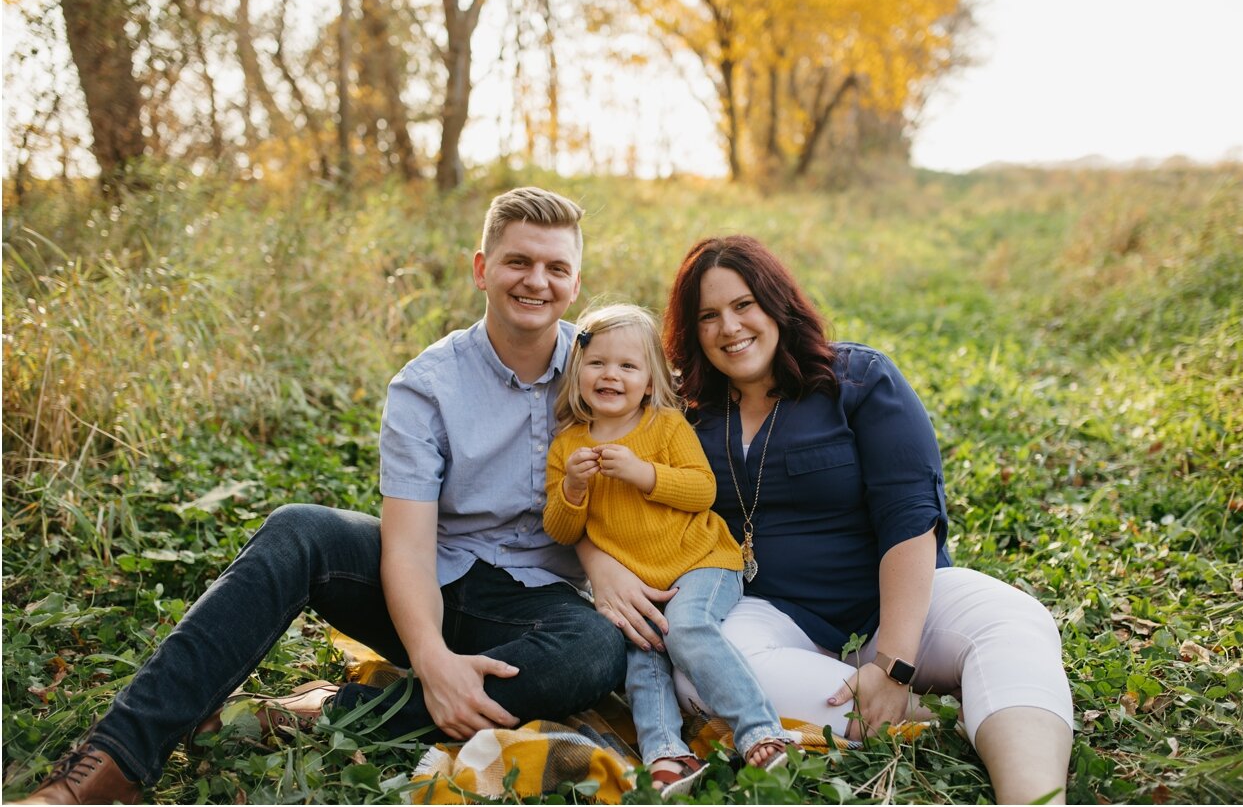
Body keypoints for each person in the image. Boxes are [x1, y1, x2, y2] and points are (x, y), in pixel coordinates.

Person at [17, 188, 630, 805]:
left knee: (598, 650)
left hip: (536, 608)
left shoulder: (607, 371)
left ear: (575, 284)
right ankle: (109, 765)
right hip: (433, 582)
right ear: (482, 270)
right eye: (518, 262)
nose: (536, 282)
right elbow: (410, 548)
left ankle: (327, 710)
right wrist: (433, 658)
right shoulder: (429, 385)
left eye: (556, 268)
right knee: (299, 529)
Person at [575, 235, 1076, 805]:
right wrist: (596, 563)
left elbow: (911, 520)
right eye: (708, 316)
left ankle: (1032, 793)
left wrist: (892, 661)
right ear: (691, 333)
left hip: (902, 604)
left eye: (744, 305)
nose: (729, 327)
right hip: (771, 613)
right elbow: (607, 488)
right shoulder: (682, 416)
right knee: (701, 670)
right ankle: (947, 713)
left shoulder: (857, 380)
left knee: (1013, 621)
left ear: (777, 303)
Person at [540, 304, 798, 795]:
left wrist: (643, 473)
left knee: (686, 629)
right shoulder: (567, 447)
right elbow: (561, 530)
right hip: (642, 582)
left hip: (703, 562)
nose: (610, 374)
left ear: (650, 381)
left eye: (627, 366)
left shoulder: (664, 426)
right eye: (597, 364)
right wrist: (572, 487)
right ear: (577, 373)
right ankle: (666, 753)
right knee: (643, 655)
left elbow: (702, 491)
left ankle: (760, 730)